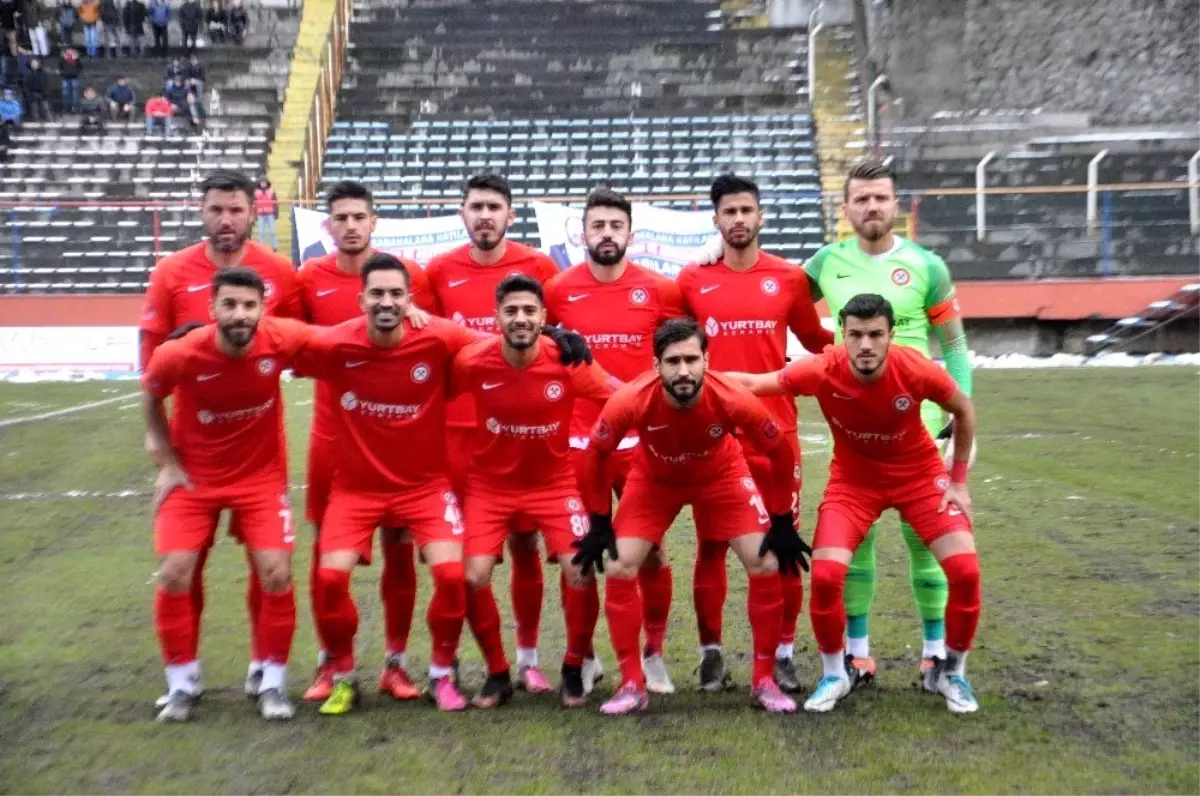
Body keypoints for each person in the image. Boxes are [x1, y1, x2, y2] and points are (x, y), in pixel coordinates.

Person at [289, 254, 589, 714]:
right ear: (361, 299)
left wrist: (553, 337)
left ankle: (441, 674)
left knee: (454, 575)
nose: (386, 302)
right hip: (357, 488)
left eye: (395, 294)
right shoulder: (335, 343)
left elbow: (504, 341)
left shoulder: (439, 334)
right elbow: (273, 342)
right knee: (330, 577)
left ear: (410, 299)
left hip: (425, 486)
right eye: (377, 294)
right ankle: (344, 674)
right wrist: (196, 335)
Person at [727, 293, 981, 714]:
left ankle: (951, 672)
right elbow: (755, 383)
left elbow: (964, 409)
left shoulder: (914, 368)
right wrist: (694, 374)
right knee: (826, 576)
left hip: (918, 476)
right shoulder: (823, 369)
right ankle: (835, 674)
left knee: (966, 571)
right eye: (856, 335)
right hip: (854, 482)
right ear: (842, 335)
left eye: (875, 335)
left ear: (890, 336)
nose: (865, 345)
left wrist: (958, 482)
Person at [573, 317, 807, 715]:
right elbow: (595, 454)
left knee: (767, 562)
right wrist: (598, 521)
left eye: (692, 360)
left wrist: (782, 520)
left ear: (706, 361)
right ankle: (632, 684)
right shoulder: (631, 399)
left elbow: (779, 449)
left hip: (721, 475)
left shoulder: (732, 397)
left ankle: (763, 681)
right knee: (618, 567)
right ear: (656, 365)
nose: (683, 370)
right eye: (672, 361)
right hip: (654, 479)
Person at [803, 160, 976, 691]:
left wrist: (957, 413)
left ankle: (932, 655)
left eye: (881, 198)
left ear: (895, 205)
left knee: (927, 544)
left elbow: (953, 346)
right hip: (856, 431)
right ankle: (856, 656)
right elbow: (778, 300)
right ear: (847, 207)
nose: (872, 207)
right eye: (862, 199)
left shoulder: (927, 265)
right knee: (856, 545)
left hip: (920, 433)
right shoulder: (823, 263)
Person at [139, 170, 302, 697]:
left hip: (260, 453)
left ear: (254, 212)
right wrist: (163, 455)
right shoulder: (170, 273)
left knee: (269, 565)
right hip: (194, 454)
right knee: (185, 565)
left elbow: (299, 342)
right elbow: (152, 369)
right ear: (201, 212)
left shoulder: (278, 271)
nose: (225, 220)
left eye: (235, 210)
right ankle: (184, 679)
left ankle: (264, 667)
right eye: (216, 210)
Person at [676, 173, 834, 693]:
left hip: (776, 434)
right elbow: (672, 348)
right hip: (714, 435)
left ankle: (783, 654)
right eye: (729, 212)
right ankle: (711, 655)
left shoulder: (788, 278)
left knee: (783, 546)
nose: (739, 220)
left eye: (747, 210)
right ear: (715, 220)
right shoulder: (693, 281)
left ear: (761, 216)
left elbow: (816, 341)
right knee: (710, 547)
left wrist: (884, 343)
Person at [295, 181, 435, 704]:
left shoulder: (407, 276)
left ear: (374, 222)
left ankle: (395, 665)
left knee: (399, 547)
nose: (351, 225)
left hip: (395, 440)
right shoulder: (308, 279)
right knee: (326, 557)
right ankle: (330, 663)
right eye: (341, 217)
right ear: (327, 225)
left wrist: (418, 315)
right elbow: (282, 335)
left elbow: (435, 333)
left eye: (360, 216)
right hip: (332, 439)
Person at [424, 173, 562, 694]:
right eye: (476, 206)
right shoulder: (438, 272)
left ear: (510, 215)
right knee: (463, 561)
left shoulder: (539, 268)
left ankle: (527, 658)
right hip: (461, 435)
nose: (485, 215)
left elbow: (556, 339)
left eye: (495, 206)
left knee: (526, 545)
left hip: (524, 431)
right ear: (462, 213)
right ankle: (457, 660)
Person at [453, 274, 617, 709]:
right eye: (511, 311)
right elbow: (435, 373)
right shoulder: (473, 361)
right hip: (490, 488)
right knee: (470, 576)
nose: (520, 319)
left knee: (580, 569)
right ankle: (497, 673)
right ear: (497, 318)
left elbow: (619, 397)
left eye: (529, 311)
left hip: (554, 484)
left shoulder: (567, 360)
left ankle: (572, 668)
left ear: (544, 317)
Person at [542, 186, 683, 695]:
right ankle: (584, 656)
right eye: (597, 226)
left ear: (629, 233)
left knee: (651, 553)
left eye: (615, 226)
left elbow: (682, 352)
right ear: (582, 233)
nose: (606, 234)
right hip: (579, 446)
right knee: (579, 556)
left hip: (641, 443)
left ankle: (655, 654)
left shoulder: (660, 291)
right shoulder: (557, 290)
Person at [21, 56, 49, 121]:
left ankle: (49, 120)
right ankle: (36, 121)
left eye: (35, 63)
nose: (34, 65)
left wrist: (45, 92)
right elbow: (25, 86)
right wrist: (29, 94)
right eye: (32, 63)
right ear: (30, 65)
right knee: (34, 109)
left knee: (45, 108)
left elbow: (47, 84)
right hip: (32, 93)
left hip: (42, 93)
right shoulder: (27, 74)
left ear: (38, 64)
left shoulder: (42, 73)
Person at [254, 177, 277, 249]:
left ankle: (274, 247)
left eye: (264, 182)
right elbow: (254, 204)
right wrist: (255, 215)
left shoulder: (272, 191)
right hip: (260, 214)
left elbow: (275, 203)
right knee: (261, 233)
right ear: (259, 183)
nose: (263, 184)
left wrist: (276, 213)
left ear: (267, 183)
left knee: (273, 232)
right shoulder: (256, 192)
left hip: (270, 214)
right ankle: (261, 248)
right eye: (261, 182)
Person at [58, 46, 80, 112]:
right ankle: (66, 107)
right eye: (68, 51)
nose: (70, 52)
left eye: (71, 51)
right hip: (65, 78)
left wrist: (76, 60)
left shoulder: (76, 59)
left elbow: (80, 67)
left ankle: (74, 107)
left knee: (75, 94)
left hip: (74, 78)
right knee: (65, 94)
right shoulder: (63, 59)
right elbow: (60, 67)